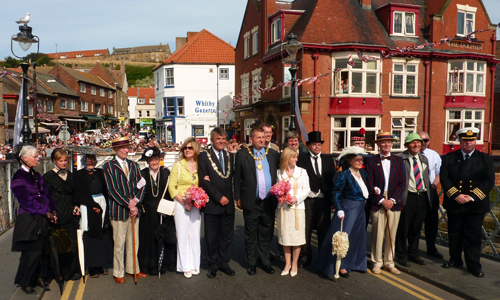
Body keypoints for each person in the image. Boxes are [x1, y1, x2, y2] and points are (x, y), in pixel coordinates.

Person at [440, 127, 494, 277]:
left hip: (475, 204)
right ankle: (455, 259)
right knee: (454, 233)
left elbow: (488, 181)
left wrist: (471, 197)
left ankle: (474, 265)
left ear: (475, 141)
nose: (468, 143)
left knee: (473, 236)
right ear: (460, 140)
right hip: (455, 202)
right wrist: (456, 195)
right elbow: (444, 179)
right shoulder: (448, 157)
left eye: (471, 140)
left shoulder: (485, 159)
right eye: (465, 140)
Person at [11, 145, 58, 294]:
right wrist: (46, 212)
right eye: (35, 157)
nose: (38, 159)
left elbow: (46, 195)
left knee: (42, 251)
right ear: (25, 158)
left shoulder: (36, 175)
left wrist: (53, 210)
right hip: (29, 220)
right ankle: (26, 281)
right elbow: (26, 201)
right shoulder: (18, 177)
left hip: (42, 219)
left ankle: (39, 277)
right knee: (31, 252)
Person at [317, 146, 369, 277]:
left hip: (360, 209)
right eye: (357, 160)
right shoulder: (343, 175)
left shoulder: (363, 174)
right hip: (348, 209)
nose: (360, 162)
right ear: (350, 160)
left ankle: (356, 263)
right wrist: (339, 209)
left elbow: (364, 190)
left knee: (357, 236)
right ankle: (340, 266)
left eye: (361, 160)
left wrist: (375, 190)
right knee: (343, 238)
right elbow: (335, 194)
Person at [234, 127, 280, 275]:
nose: (261, 139)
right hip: (250, 201)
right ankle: (252, 262)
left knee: (266, 233)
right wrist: (238, 197)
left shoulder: (272, 154)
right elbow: (237, 178)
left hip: (268, 201)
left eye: (263, 137)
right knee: (251, 233)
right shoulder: (242, 154)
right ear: (251, 139)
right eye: (258, 137)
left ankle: (265, 260)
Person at [103, 136, 147, 284]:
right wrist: (129, 203)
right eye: (122, 148)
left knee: (134, 242)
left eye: (127, 147)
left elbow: (142, 184)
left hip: (134, 209)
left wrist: (136, 200)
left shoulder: (134, 165)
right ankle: (118, 272)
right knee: (119, 243)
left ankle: (132, 269)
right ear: (115, 149)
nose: (125, 150)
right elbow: (112, 190)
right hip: (119, 210)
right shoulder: (108, 166)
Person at [365, 132, 406, 275]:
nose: (386, 144)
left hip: (394, 200)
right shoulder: (371, 161)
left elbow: (402, 183)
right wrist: (382, 200)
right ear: (378, 145)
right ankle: (377, 262)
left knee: (391, 234)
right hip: (378, 201)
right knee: (377, 232)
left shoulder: (399, 160)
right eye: (383, 142)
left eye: (389, 142)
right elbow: (368, 182)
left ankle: (389, 262)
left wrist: (392, 200)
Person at [199, 127, 236, 278]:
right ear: (211, 140)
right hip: (213, 204)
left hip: (228, 204)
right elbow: (203, 180)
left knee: (226, 236)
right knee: (211, 237)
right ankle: (212, 264)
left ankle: (224, 262)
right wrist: (218, 196)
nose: (221, 141)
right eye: (218, 139)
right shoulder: (203, 156)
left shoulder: (230, 156)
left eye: (223, 138)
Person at [297, 131, 335, 267]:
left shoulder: (328, 160)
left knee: (323, 230)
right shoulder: (301, 159)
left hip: (323, 200)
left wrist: (332, 201)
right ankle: (305, 257)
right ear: (308, 146)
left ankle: (323, 256)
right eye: (314, 144)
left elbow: (332, 180)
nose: (317, 147)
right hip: (308, 200)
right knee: (306, 230)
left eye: (319, 144)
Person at [43, 148, 81, 281]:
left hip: (70, 216)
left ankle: (71, 272)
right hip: (56, 216)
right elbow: (45, 197)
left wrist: (76, 205)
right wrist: (51, 212)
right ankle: (57, 272)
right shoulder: (48, 177)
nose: (64, 163)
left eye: (65, 160)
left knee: (72, 244)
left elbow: (76, 194)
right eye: (61, 161)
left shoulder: (71, 176)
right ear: (54, 161)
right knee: (58, 246)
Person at [73, 154, 113, 278]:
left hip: (101, 203)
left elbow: (106, 190)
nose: (90, 162)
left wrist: (101, 205)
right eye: (87, 159)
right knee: (90, 234)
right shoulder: (79, 175)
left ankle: (101, 263)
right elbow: (77, 193)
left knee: (102, 233)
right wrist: (92, 204)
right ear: (83, 161)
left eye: (92, 159)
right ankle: (92, 267)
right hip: (87, 205)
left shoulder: (101, 172)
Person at [138, 147, 176, 276]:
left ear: (159, 160)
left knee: (163, 237)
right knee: (148, 240)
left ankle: (163, 264)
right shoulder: (142, 174)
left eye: (156, 159)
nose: (154, 162)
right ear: (147, 162)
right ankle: (149, 265)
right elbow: (138, 193)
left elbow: (171, 192)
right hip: (147, 213)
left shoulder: (166, 172)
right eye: (151, 160)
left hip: (162, 211)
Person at [395, 133, 432, 267]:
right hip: (407, 197)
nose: (416, 145)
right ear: (407, 145)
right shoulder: (399, 158)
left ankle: (413, 253)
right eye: (413, 142)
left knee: (416, 227)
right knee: (403, 227)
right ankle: (401, 255)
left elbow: (426, 177)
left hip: (421, 196)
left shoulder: (424, 159)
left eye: (418, 142)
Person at [168, 137, 202, 279]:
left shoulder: (201, 164)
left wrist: (199, 198)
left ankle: (194, 264)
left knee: (194, 235)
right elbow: (172, 187)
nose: (187, 150)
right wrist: (183, 201)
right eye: (185, 148)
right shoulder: (179, 165)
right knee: (182, 235)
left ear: (195, 149)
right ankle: (185, 266)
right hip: (182, 203)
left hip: (196, 204)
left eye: (190, 148)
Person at [276, 147, 310, 277]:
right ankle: (287, 263)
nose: (296, 159)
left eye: (296, 157)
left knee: (296, 238)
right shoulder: (279, 172)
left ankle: (294, 263)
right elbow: (276, 190)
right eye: (293, 157)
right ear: (286, 158)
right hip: (284, 209)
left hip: (298, 209)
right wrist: (281, 197)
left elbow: (306, 190)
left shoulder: (302, 172)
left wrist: (296, 198)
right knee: (285, 237)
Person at [418, 131, 444, 259]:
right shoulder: (411, 154)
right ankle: (412, 248)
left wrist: (434, 185)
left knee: (432, 221)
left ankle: (431, 248)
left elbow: (439, 173)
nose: (423, 143)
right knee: (415, 222)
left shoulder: (434, 155)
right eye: (420, 140)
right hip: (415, 192)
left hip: (431, 190)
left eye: (426, 140)